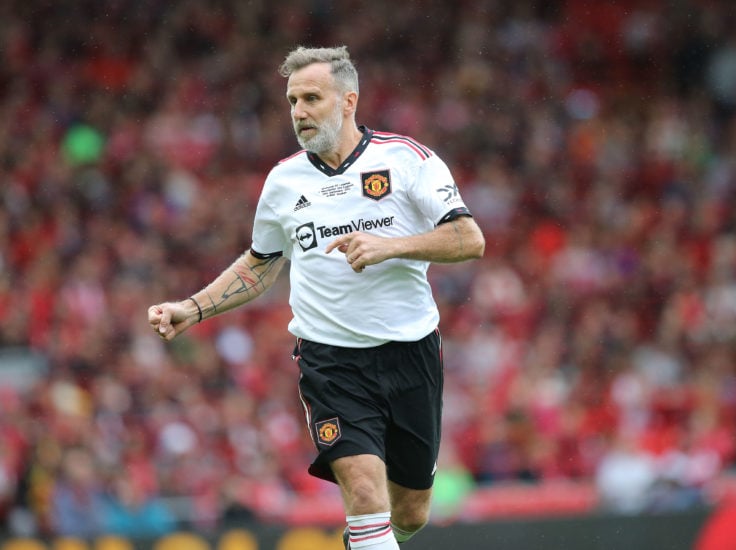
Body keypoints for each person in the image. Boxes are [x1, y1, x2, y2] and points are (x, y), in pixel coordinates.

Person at [147, 45, 485, 549]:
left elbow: (469, 239)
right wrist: (191, 308)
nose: (299, 112)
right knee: (365, 490)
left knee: (409, 513)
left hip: (411, 353)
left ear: (348, 101)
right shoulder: (284, 181)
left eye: (311, 98)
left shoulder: (408, 159)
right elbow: (261, 263)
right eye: (292, 101)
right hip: (331, 362)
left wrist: (390, 246)